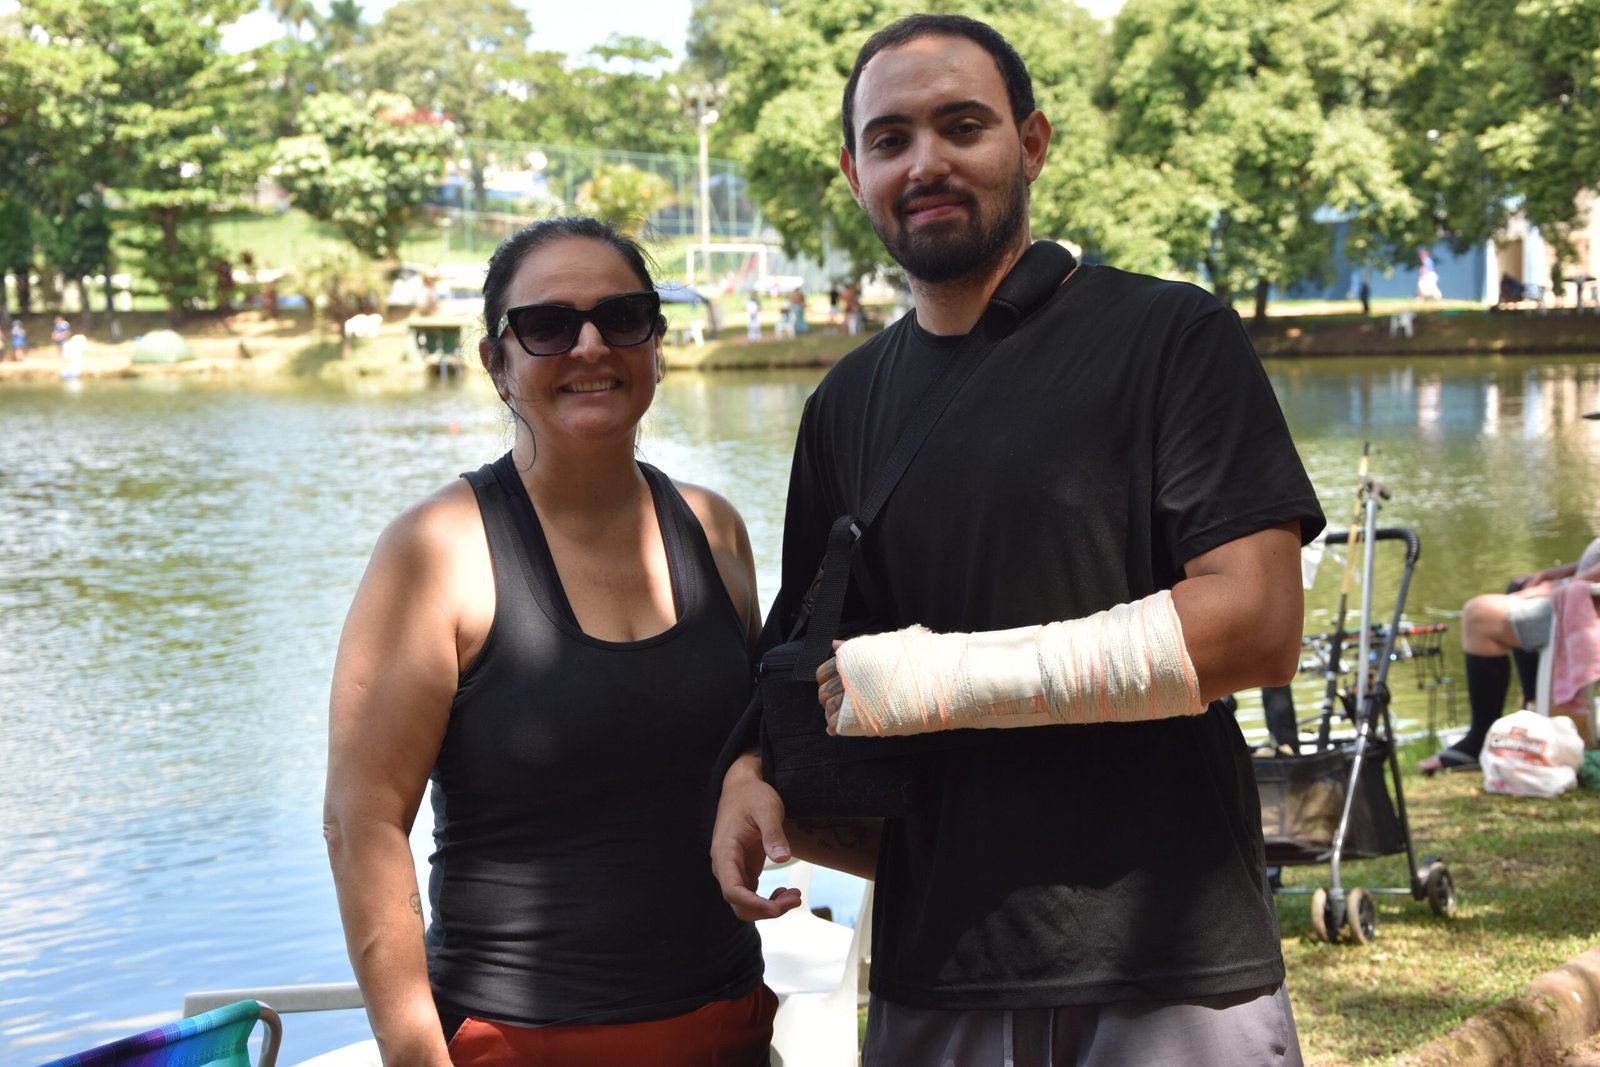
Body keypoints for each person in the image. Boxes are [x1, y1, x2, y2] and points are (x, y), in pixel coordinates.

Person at [710, 15, 1323, 1066]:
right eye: (891, 139)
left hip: (1167, 966)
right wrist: (747, 771)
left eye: (963, 126)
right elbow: (807, 655)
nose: (926, 163)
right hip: (934, 963)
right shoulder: (844, 404)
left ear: (1031, 143)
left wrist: (946, 676)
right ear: (854, 173)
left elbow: (1260, 624)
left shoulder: (1170, 337)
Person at [325, 216, 775, 1066]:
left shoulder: (714, 529)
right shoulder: (437, 551)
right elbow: (363, 820)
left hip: (727, 1025)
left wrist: (752, 771)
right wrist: (415, 1050)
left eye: (623, 317)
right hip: (517, 1039)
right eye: (547, 326)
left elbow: (752, 731)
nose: (590, 346)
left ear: (657, 343)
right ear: (497, 363)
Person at [1419, 538, 1600, 774]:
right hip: (1584, 591)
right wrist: (1558, 573)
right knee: (1517, 586)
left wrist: (1559, 586)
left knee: (1479, 615)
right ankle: (1534, 709)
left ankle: (1478, 740)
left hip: (1587, 606)